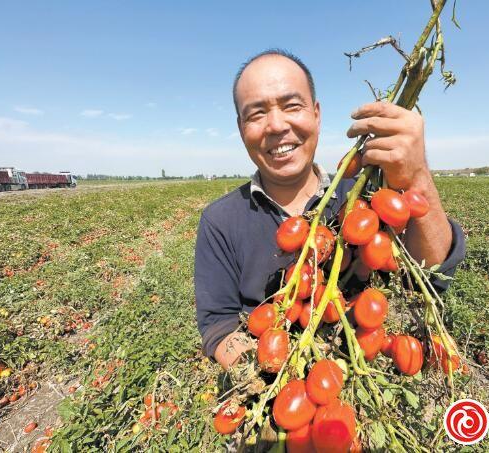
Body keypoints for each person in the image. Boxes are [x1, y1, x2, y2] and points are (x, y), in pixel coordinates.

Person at [195, 49, 465, 370]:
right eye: (256, 114)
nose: (276, 125)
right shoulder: (220, 221)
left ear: (317, 114)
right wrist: (268, 372)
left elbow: (430, 275)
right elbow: (218, 325)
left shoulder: (364, 200)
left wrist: (416, 173)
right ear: (241, 129)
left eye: (291, 105)